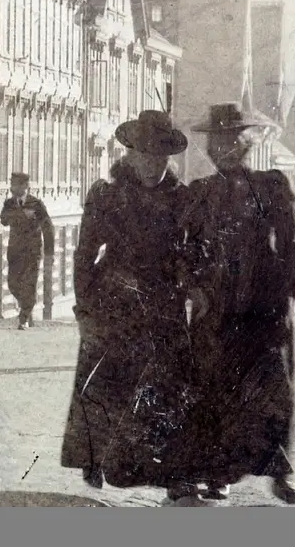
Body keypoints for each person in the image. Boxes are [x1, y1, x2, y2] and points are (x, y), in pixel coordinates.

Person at [181, 102, 295, 506]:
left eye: (232, 140)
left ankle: (280, 476)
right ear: (208, 148)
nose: (223, 148)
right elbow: (181, 251)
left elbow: (288, 246)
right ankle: (217, 475)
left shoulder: (272, 186)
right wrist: (194, 287)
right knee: (214, 390)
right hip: (217, 309)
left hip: (265, 308)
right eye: (216, 142)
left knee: (274, 390)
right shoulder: (199, 194)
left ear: (246, 142)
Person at [60, 110, 200, 502]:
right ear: (131, 153)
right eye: (146, 154)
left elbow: (188, 253)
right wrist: (85, 310)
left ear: (169, 158)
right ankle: (95, 457)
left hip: (163, 303)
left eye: (161, 156)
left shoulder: (181, 197)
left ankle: (176, 475)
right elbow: (85, 254)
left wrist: (190, 284)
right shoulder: (107, 194)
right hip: (115, 301)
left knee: (172, 385)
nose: (153, 164)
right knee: (106, 381)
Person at [0, 171, 55, 329]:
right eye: (11, 184)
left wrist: (49, 253)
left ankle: (23, 319)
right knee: (13, 284)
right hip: (15, 252)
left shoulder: (36, 204)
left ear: (25, 186)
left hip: (32, 252)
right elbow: (3, 220)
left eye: (15, 184)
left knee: (29, 285)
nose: (11, 188)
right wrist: (16, 213)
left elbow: (48, 228)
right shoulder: (9, 203)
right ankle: (27, 309)